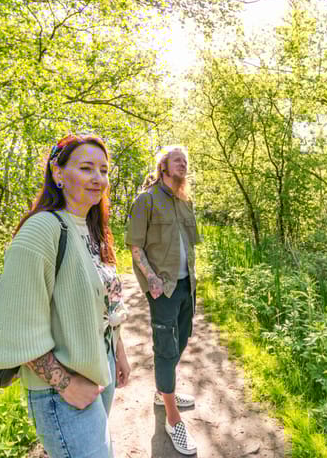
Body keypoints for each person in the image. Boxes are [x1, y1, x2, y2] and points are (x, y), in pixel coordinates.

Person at [0, 134, 131, 458]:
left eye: (104, 170)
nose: (98, 178)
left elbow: (105, 304)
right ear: (58, 172)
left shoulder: (92, 229)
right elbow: (17, 326)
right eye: (86, 168)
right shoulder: (42, 230)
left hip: (98, 367)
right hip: (60, 388)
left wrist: (117, 351)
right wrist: (66, 384)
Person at [126, 145, 201, 455]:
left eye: (185, 159)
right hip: (163, 289)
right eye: (176, 160)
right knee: (166, 348)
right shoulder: (146, 200)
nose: (183, 164)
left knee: (182, 339)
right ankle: (172, 419)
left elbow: (188, 245)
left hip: (187, 285)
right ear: (163, 167)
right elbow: (135, 246)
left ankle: (162, 391)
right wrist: (151, 279)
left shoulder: (185, 201)